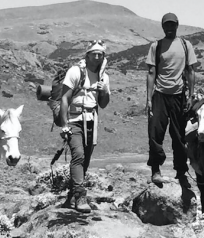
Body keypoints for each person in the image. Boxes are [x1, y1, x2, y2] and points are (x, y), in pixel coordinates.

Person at [145, 13, 197, 187]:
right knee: (155, 132)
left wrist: (190, 95)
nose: (169, 28)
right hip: (159, 94)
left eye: (172, 25)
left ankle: (181, 171)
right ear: (162, 26)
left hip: (179, 95)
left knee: (179, 135)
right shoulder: (156, 46)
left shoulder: (185, 45)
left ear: (177, 25)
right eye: (166, 25)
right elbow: (151, 72)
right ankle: (155, 170)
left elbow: (190, 71)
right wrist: (149, 99)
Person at [59, 40, 111, 212]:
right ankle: (81, 196)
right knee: (79, 155)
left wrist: (104, 91)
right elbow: (65, 98)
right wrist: (64, 123)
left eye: (100, 54)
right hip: (74, 119)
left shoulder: (104, 77)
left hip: (91, 120)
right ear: (87, 55)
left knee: (86, 159)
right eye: (93, 53)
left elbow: (103, 104)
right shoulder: (75, 72)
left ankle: (71, 196)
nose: (97, 57)